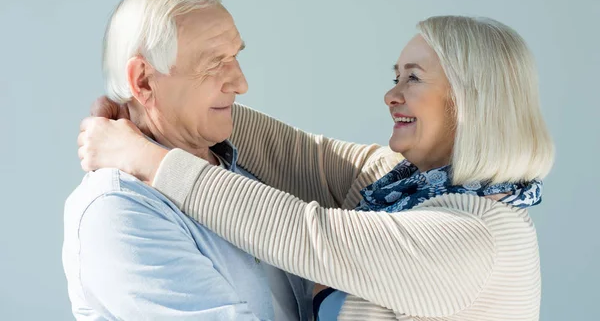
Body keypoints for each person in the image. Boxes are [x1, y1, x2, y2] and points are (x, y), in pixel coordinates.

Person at [80, 16, 554, 320]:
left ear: (473, 101)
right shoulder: (400, 184)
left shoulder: (472, 240)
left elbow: (307, 233)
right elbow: (296, 152)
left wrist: (145, 158)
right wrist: (168, 100)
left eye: (414, 78)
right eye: (396, 77)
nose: (392, 95)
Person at [63, 0, 316, 320]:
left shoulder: (241, 170)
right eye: (213, 63)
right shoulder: (118, 210)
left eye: (234, 57)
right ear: (143, 80)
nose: (242, 83)